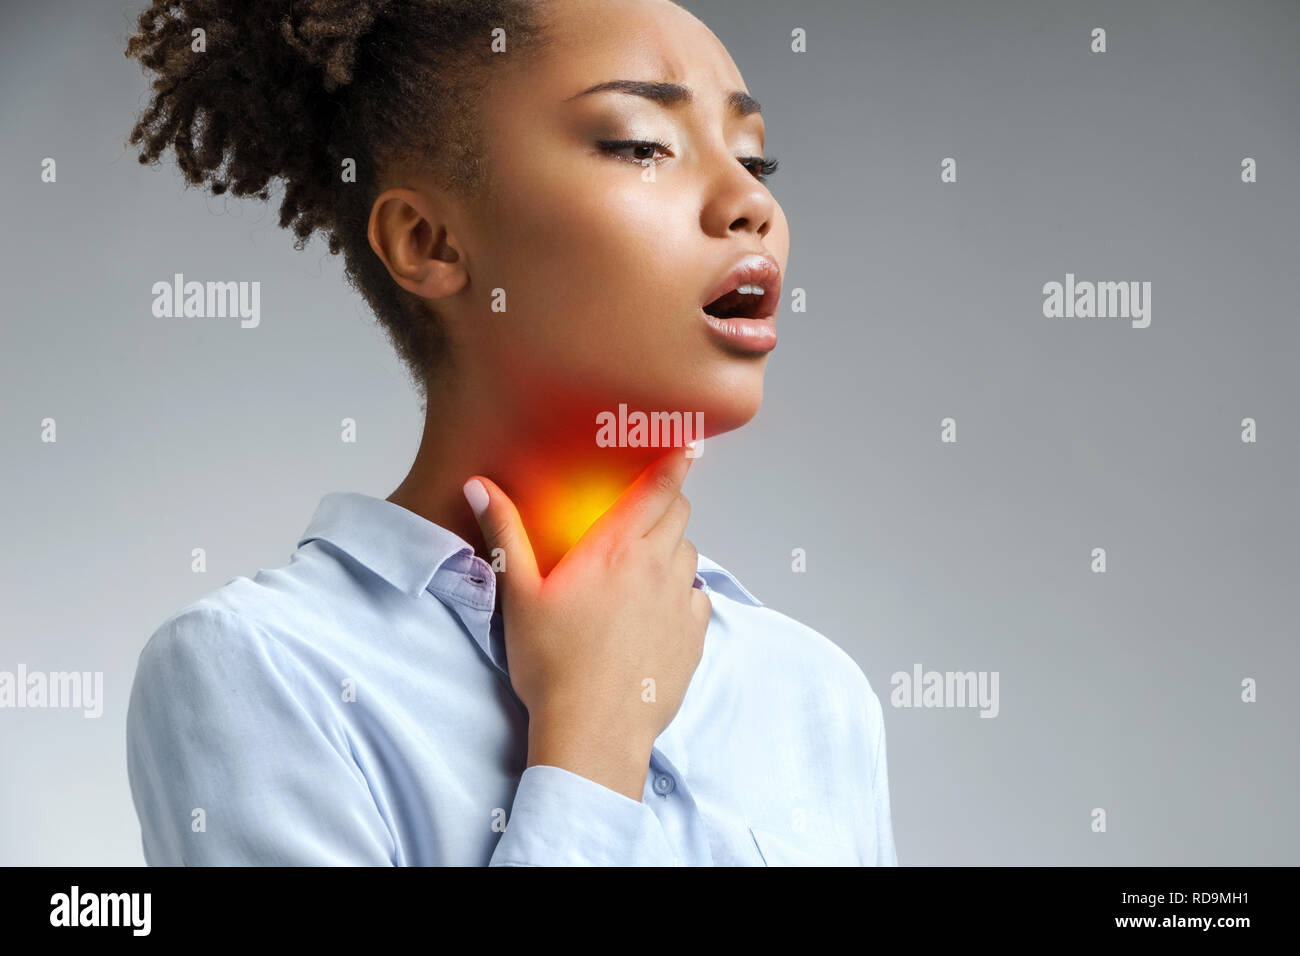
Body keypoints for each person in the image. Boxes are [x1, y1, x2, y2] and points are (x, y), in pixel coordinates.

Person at [122, 0, 898, 866]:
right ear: (429, 241)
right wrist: (591, 741)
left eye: (756, 158)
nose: (750, 201)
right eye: (642, 144)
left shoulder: (815, 693)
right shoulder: (262, 669)